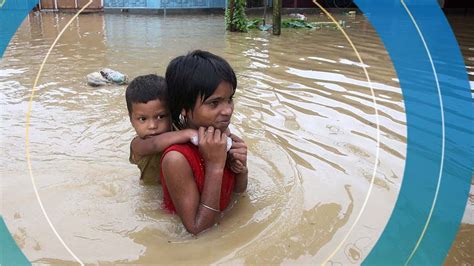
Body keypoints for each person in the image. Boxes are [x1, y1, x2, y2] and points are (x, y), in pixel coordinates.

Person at [160, 50, 248, 235]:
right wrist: (215, 165)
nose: (227, 110)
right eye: (214, 103)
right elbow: (198, 230)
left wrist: (241, 168)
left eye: (229, 99)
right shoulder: (177, 159)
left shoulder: (222, 136)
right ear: (184, 108)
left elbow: (238, 195)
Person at [126, 74, 197, 184]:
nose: (152, 126)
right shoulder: (138, 145)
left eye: (160, 117)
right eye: (142, 119)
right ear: (131, 120)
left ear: (172, 114)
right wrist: (189, 133)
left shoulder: (177, 130)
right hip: (152, 191)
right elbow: (154, 144)